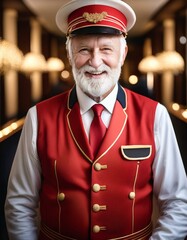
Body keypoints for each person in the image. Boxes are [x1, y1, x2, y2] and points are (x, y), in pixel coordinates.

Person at [5, 0, 187, 239]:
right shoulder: (38, 116)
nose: (95, 61)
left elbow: (177, 203)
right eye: (83, 50)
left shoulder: (155, 115)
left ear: (123, 54)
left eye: (106, 49)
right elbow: (20, 203)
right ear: (70, 55)